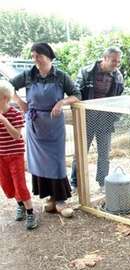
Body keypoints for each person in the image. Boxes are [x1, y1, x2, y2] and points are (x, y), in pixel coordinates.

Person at [11, 43, 81, 218]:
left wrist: (61, 102)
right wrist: (20, 102)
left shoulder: (60, 76)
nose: (35, 59)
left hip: (54, 126)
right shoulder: (28, 75)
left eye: (39, 56)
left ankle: (61, 200)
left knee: (56, 161)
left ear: (48, 57)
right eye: (33, 56)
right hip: (35, 125)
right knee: (40, 162)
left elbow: (77, 95)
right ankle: (50, 198)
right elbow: (7, 86)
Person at [70, 47, 124, 192]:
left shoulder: (118, 76)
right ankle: (75, 183)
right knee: (80, 152)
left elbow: (119, 100)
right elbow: (75, 93)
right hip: (86, 118)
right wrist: (78, 116)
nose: (116, 64)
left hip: (105, 120)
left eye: (118, 61)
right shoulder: (86, 72)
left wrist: (114, 117)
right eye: (113, 61)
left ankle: (102, 183)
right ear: (104, 58)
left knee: (104, 154)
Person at [0, 80, 38, 230]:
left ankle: (30, 213)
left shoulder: (15, 114)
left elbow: (16, 135)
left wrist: (4, 120)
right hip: (1, 155)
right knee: (7, 184)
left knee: (19, 184)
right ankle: (20, 205)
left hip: (15, 154)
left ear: (4, 98)